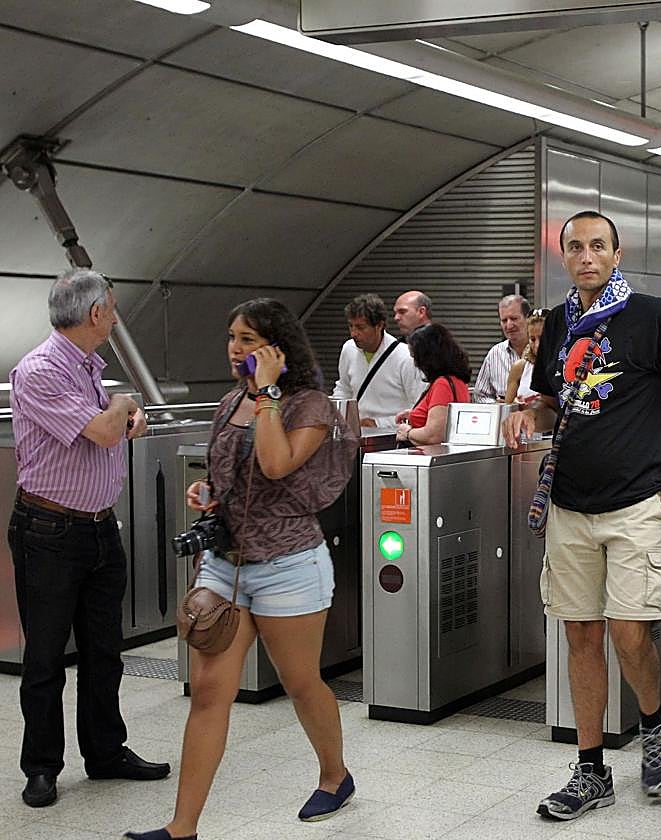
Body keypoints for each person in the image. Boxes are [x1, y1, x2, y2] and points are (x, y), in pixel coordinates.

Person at [502, 210, 661, 822]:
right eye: (574, 247)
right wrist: (531, 417)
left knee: (631, 634)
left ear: (617, 252)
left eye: (597, 246)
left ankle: (654, 725)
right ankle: (590, 768)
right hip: (570, 505)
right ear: (563, 256)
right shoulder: (556, 326)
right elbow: (555, 405)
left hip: (637, 504)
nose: (585, 256)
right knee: (580, 635)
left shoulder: (650, 316)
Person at [126, 298, 356, 840]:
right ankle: (182, 827)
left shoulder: (309, 406)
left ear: (277, 348)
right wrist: (209, 493)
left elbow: (277, 464)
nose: (236, 348)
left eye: (249, 340)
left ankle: (334, 773)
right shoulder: (230, 402)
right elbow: (231, 474)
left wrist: (268, 393)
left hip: (289, 564)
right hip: (226, 564)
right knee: (209, 693)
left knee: (301, 684)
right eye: (233, 337)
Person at [7, 268, 166, 810]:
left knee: (105, 652)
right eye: (113, 308)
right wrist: (121, 407)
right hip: (48, 532)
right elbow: (104, 431)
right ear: (96, 313)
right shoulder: (41, 370)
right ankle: (42, 767)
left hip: (99, 528)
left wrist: (120, 412)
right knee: (47, 656)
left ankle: (105, 753)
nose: (116, 317)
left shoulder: (87, 367)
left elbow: (118, 425)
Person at [330, 293, 424, 428]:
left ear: (379, 326)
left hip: (393, 438)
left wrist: (379, 423)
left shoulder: (405, 357)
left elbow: (418, 407)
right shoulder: (348, 349)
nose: (353, 333)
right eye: (351, 326)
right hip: (356, 435)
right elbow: (344, 389)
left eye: (360, 327)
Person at [395, 323, 471, 447]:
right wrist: (415, 413)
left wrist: (407, 432)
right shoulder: (458, 381)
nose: (415, 364)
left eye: (416, 357)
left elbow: (433, 435)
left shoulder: (442, 385)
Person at [475, 294, 531, 403]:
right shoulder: (494, 354)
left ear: (527, 318)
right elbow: (480, 396)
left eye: (514, 318)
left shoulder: (543, 351)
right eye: (504, 320)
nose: (509, 325)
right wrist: (496, 405)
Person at [505, 309, 546, 405]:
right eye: (532, 339)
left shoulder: (562, 368)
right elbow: (507, 408)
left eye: (542, 338)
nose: (537, 345)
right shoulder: (520, 367)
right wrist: (515, 404)